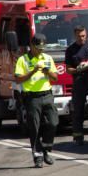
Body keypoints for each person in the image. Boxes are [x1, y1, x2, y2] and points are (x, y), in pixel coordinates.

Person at [14, 33, 59, 168]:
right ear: (31, 45)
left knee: (53, 122)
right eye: (38, 47)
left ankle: (46, 149)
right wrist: (33, 71)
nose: (40, 50)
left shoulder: (47, 58)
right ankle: (38, 156)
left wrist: (47, 71)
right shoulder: (23, 60)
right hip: (32, 97)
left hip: (47, 95)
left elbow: (55, 77)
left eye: (42, 48)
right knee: (34, 126)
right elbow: (18, 79)